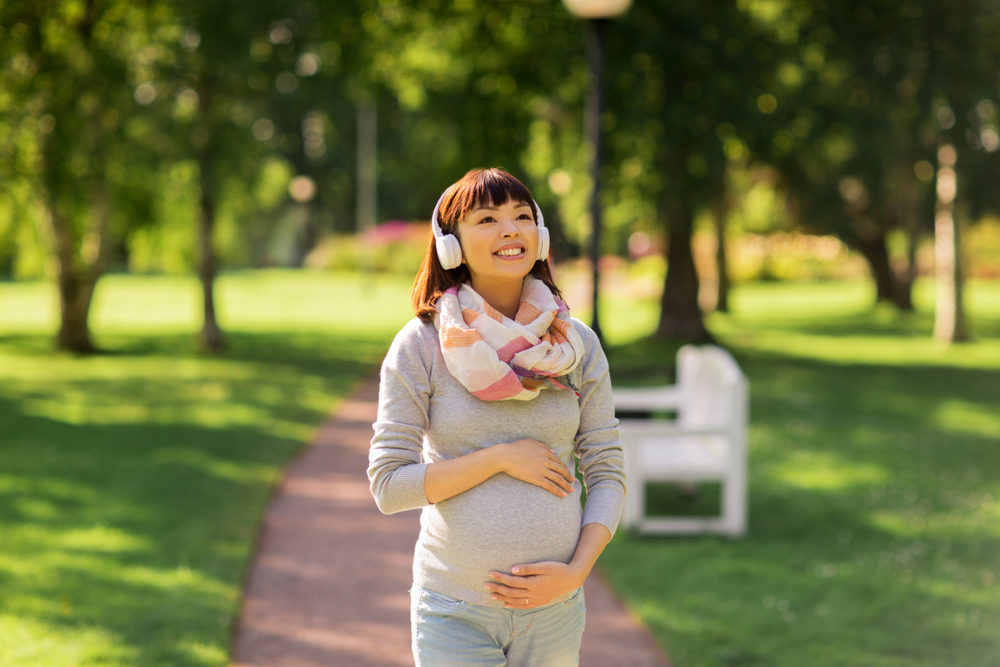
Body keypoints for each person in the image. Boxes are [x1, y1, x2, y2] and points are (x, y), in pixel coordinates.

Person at [368, 167, 626, 667]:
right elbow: (389, 485)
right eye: (487, 218)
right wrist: (502, 458)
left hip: (556, 610)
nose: (511, 230)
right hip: (454, 612)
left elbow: (607, 469)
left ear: (541, 235)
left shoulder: (576, 346)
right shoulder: (421, 345)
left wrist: (577, 571)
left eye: (523, 216)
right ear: (452, 246)